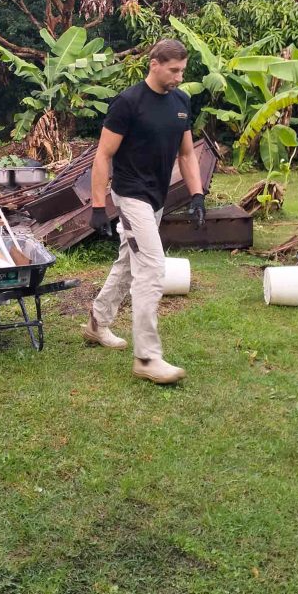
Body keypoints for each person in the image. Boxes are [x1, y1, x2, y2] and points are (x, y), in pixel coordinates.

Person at [82, 38, 206, 384]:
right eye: (174, 70)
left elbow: (186, 154)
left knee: (128, 261)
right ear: (154, 64)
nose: (180, 77)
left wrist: (197, 194)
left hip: (157, 197)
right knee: (152, 266)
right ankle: (147, 358)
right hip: (131, 194)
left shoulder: (181, 102)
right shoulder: (128, 102)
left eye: (183, 70)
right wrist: (97, 205)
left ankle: (96, 323)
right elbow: (103, 155)